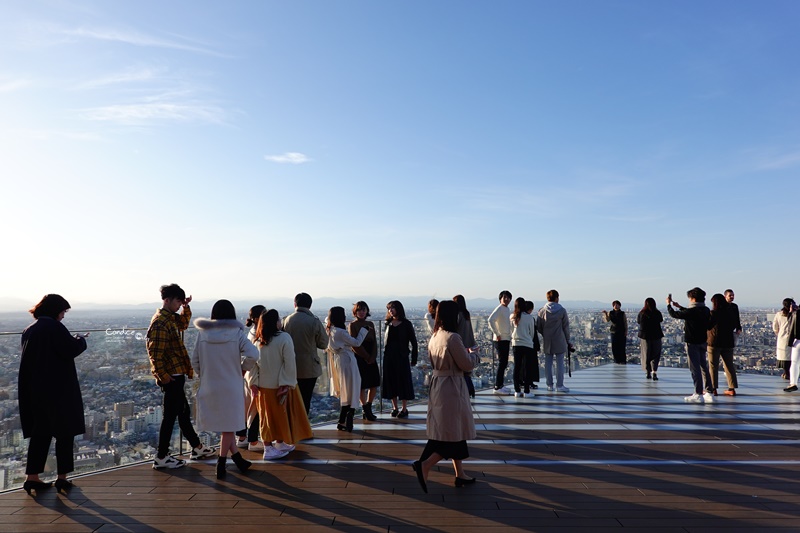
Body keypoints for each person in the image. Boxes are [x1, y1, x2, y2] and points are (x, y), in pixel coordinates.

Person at [19, 294, 89, 495]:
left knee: (40, 434)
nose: (63, 316)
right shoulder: (54, 327)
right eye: (63, 311)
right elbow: (70, 349)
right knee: (64, 433)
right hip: (58, 389)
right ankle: (62, 478)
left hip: (35, 390)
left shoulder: (29, 330)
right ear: (55, 310)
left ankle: (32, 477)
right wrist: (80, 340)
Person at [147, 284, 215, 469]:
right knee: (171, 417)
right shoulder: (160, 321)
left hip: (175, 374)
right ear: (167, 300)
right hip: (171, 376)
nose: (178, 305)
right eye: (177, 301)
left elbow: (183, 324)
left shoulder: (168, 318)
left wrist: (186, 307)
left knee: (182, 413)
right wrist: (162, 375)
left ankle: (196, 447)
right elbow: (155, 353)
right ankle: (161, 456)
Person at [412, 300, 477, 493]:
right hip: (452, 387)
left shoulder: (435, 336)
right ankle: (425, 464)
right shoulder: (453, 338)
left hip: (439, 384)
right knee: (451, 433)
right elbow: (466, 364)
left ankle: (460, 474)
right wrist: (474, 355)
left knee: (452, 429)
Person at [191, 300, 259, 479]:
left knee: (225, 425)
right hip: (231, 385)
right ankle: (221, 464)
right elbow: (253, 354)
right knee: (229, 425)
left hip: (210, 384)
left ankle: (238, 460)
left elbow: (195, 361)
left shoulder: (202, 334)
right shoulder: (237, 333)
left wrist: (205, 374)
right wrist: (242, 369)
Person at [252, 309, 313, 459]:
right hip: (280, 385)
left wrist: (252, 383)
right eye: (278, 319)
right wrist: (286, 383)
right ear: (275, 322)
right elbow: (289, 362)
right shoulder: (284, 338)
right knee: (281, 416)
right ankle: (270, 447)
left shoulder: (258, 341)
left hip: (263, 386)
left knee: (267, 417)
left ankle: (275, 444)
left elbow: (252, 365)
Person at [283, 293, 328, 415]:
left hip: (289, 365)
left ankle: (292, 428)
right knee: (306, 398)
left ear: (295, 304)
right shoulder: (313, 321)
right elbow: (323, 344)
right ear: (310, 305)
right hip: (309, 366)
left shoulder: (286, 320)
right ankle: (304, 428)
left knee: (292, 399)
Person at [666, 288, 712, 403]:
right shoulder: (705, 310)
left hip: (692, 342)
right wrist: (680, 306)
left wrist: (669, 305)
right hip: (703, 341)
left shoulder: (691, 311)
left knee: (694, 367)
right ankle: (709, 392)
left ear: (693, 298)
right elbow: (692, 313)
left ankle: (698, 393)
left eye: (690, 298)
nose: (689, 301)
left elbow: (674, 315)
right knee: (703, 366)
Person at [327, 306, 369, 431]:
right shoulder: (341, 332)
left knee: (346, 389)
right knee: (353, 387)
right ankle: (348, 415)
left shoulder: (330, 330)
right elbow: (356, 343)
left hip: (338, 360)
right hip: (348, 360)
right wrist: (363, 331)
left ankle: (343, 420)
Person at [236, 305, 266, 451]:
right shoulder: (257, 335)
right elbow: (255, 356)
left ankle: (242, 437)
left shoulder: (251, 333)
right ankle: (253, 440)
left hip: (249, 373)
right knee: (255, 408)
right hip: (254, 374)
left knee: (248, 406)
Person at [382, 300, 418, 418]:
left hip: (402, 357)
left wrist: (414, 358)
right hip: (389, 357)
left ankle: (404, 408)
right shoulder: (388, 323)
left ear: (399, 309)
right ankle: (395, 407)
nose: (390, 310)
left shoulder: (406, 324)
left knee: (403, 381)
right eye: (389, 309)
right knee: (391, 381)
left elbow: (413, 341)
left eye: (392, 308)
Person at [348, 301, 380, 421]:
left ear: (367, 311)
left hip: (370, 354)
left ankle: (368, 407)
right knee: (362, 384)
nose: (361, 312)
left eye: (364, 310)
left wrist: (373, 356)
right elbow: (355, 345)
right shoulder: (352, 325)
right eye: (359, 310)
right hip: (360, 356)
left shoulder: (370, 323)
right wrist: (367, 357)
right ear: (355, 312)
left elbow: (374, 342)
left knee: (374, 383)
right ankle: (365, 409)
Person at [537, 290, 572, 393]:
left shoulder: (542, 311)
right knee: (560, 363)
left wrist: (545, 333)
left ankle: (549, 385)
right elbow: (566, 327)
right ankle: (560, 385)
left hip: (548, 340)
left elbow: (539, 327)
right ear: (557, 298)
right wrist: (567, 339)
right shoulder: (562, 310)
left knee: (548, 363)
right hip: (560, 339)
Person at [707, 293, 739, 397]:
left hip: (714, 342)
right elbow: (734, 324)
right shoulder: (730, 313)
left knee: (713, 365)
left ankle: (713, 389)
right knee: (729, 365)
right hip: (728, 342)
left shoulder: (714, 313)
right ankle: (732, 388)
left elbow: (708, 325)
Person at [510, 297, 538, 398]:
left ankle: (517, 390)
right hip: (527, 344)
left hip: (516, 344)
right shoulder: (529, 317)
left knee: (517, 367)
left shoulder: (512, 317)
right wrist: (527, 339)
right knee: (527, 368)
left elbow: (511, 331)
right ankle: (526, 391)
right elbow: (532, 333)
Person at [488, 290, 513, 395]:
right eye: (504, 297)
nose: (506, 299)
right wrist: (497, 333)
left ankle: (500, 385)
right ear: (500, 299)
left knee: (504, 363)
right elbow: (490, 320)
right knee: (502, 362)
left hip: (505, 338)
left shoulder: (506, 309)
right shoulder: (500, 308)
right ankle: (498, 386)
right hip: (501, 339)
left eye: (508, 298)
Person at [454, 295, 477, 398]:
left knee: (461, 369)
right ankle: (470, 389)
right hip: (468, 343)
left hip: (461, 343)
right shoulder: (466, 314)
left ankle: (467, 389)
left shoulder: (458, 315)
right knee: (466, 369)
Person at [637, 298, 664, 380]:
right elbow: (661, 320)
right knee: (656, 354)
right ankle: (654, 372)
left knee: (646, 353)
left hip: (645, 336)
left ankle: (647, 372)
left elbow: (638, 321)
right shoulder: (657, 312)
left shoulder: (642, 313)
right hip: (656, 335)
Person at [773, 298, 796, 380]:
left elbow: (775, 328)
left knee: (785, 358)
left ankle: (786, 373)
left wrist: (779, 334)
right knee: (793, 358)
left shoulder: (779, 314)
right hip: (794, 339)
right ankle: (789, 374)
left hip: (782, 339)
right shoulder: (795, 314)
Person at [785, 301, 800, 393]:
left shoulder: (796, 313)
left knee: (795, 363)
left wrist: (791, 312)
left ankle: (793, 383)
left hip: (798, 341)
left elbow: (791, 326)